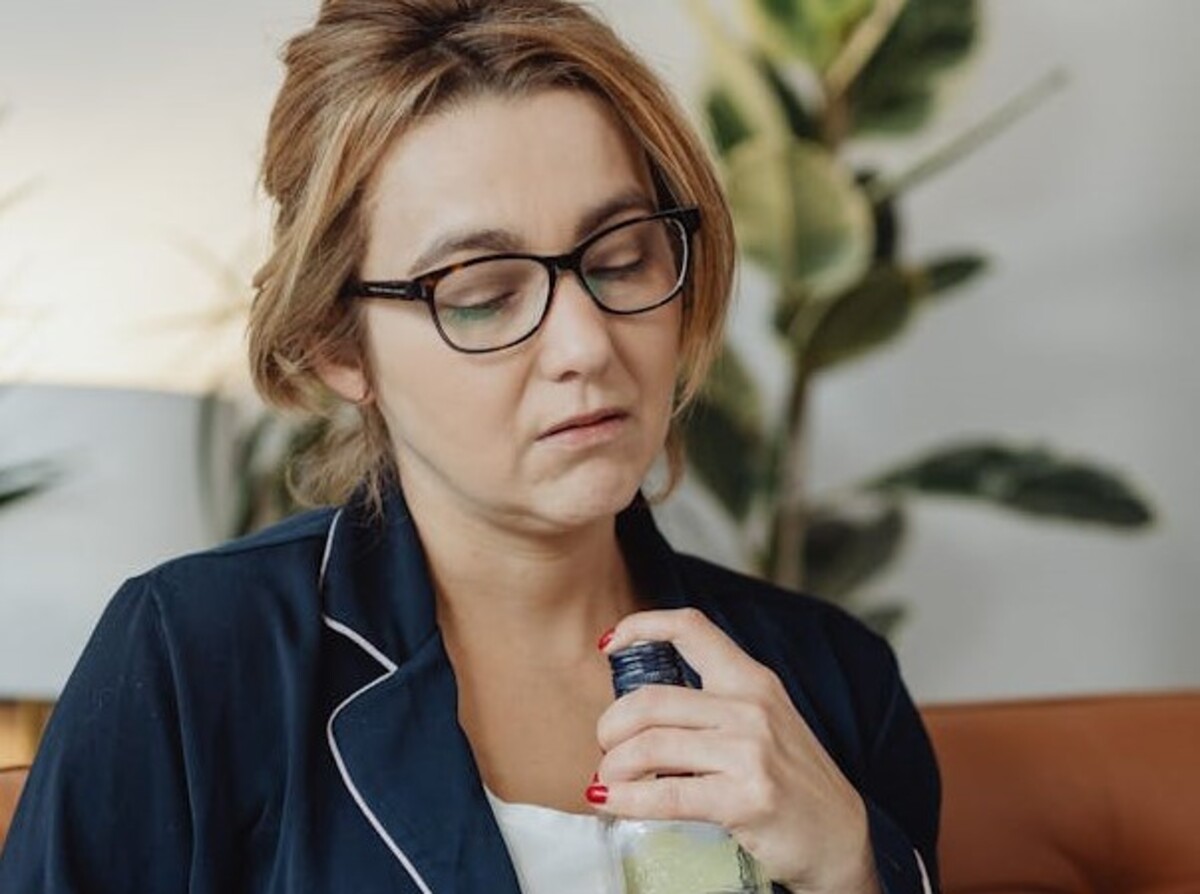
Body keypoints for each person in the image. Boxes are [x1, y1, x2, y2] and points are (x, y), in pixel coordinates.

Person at [0, 1, 940, 891]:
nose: (586, 346)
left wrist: (855, 867)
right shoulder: (194, 655)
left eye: (621, 258)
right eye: (483, 293)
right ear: (337, 344)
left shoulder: (828, 677)